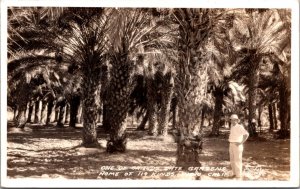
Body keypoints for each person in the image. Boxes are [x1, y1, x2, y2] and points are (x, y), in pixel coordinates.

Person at [228, 114, 249, 180]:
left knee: (237, 160)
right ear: (230, 120)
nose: (233, 121)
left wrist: (241, 142)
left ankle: (238, 176)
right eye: (232, 120)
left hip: (237, 145)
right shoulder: (231, 126)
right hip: (231, 144)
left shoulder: (240, 127)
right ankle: (234, 173)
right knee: (232, 160)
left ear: (237, 120)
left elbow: (246, 134)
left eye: (235, 120)